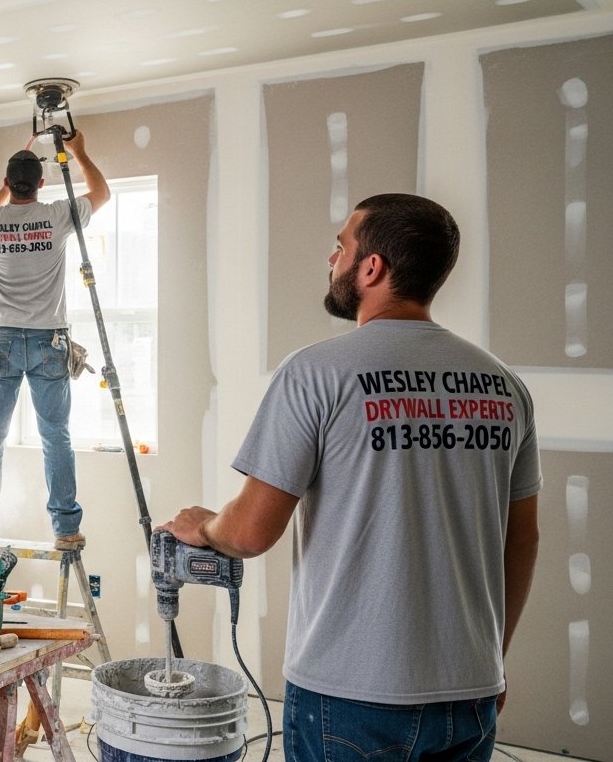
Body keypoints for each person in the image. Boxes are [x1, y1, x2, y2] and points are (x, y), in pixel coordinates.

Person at [159, 194, 541, 761]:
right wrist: (493, 659)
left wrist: (205, 526)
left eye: (341, 246)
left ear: (371, 268)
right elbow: (522, 537)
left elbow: (250, 533)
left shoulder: (316, 373)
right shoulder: (504, 385)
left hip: (350, 693)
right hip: (470, 689)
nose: (331, 258)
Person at [0, 129, 110, 550]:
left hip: (2, 343)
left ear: (8, 183)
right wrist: (79, 151)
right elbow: (101, 193)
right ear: (42, 184)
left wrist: (4, 190)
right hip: (50, 341)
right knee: (55, 436)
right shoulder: (58, 215)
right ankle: (65, 529)